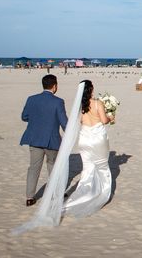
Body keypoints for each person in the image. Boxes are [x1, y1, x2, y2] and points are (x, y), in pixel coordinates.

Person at [62, 79, 113, 218]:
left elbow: (78, 121)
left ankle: (84, 193)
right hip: (97, 139)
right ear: (91, 90)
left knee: (88, 167)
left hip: (84, 139)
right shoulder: (97, 103)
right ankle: (101, 192)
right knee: (102, 166)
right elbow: (103, 120)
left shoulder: (79, 106)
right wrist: (111, 117)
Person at [20, 74, 68, 207]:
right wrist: (71, 134)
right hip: (51, 139)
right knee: (53, 165)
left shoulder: (31, 99)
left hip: (34, 138)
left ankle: (30, 197)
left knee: (33, 168)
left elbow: (24, 117)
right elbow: (64, 123)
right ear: (54, 86)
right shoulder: (58, 101)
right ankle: (56, 192)